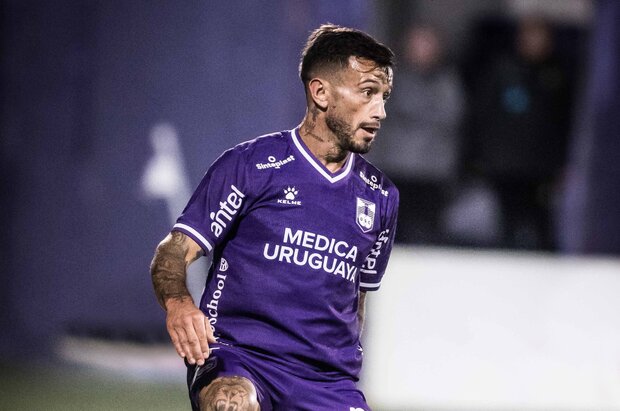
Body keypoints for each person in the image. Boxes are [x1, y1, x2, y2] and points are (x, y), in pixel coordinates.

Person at [150, 24, 399, 410]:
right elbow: (173, 251)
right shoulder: (250, 166)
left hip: (326, 381)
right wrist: (179, 303)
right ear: (320, 93)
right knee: (232, 403)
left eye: (384, 97)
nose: (380, 111)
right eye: (367, 93)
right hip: (239, 359)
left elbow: (357, 300)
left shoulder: (381, 197)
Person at [466, 15, 573, 250]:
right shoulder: (502, 71)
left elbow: (563, 123)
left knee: (541, 224)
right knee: (507, 224)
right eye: (530, 37)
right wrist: (483, 156)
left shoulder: (557, 75)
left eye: (540, 37)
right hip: (505, 164)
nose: (535, 43)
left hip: (542, 166)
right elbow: (483, 116)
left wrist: (561, 162)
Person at [369, 23, 464, 244]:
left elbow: (451, 116)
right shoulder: (390, 79)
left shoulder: (447, 82)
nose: (422, 50)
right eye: (418, 44)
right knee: (392, 232)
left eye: (427, 44)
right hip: (396, 167)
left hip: (432, 170)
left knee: (427, 232)